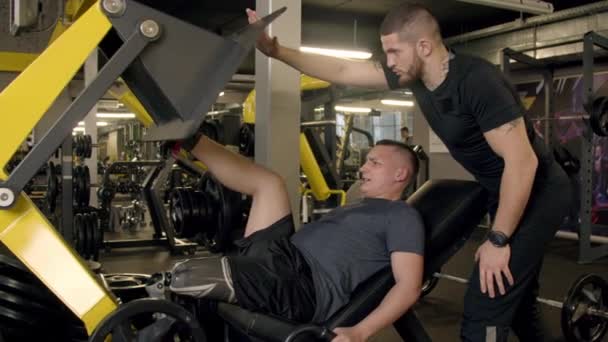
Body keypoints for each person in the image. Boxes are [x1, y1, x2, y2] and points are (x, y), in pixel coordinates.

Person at [246, 2, 572, 341]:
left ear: (424, 47)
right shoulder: (416, 77)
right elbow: (343, 70)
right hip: (501, 189)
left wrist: (498, 238)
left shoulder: (477, 81)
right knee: (516, 301)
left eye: (393, 51)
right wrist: (276, 51)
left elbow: (523, 163)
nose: (388, 62)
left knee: (487, 299)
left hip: (539, 190)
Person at [147, 135, 424, 342]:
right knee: (270, 184)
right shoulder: (359, 205)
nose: (363, 168)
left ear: (400, 174)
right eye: (366, 161)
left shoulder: (401, 215)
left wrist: (360, 332)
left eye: (374, 163)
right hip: (283, 257)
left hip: (302, 284)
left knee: (184, 276)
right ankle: (189, 137)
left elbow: (408, 286)